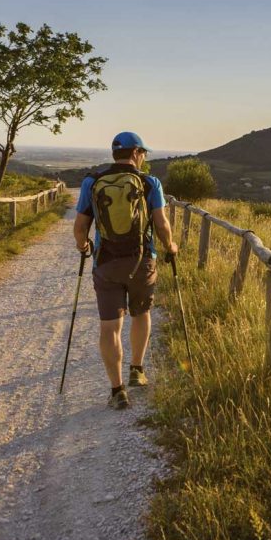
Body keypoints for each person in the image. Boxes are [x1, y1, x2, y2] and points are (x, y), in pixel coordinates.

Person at [72, 131, 178, 409]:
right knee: (141, 314)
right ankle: (137, 370)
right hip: (142, 261)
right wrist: (171, 246)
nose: (143, 157)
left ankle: (117, 390)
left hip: (105, 263)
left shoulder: (91, 181)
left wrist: (84, 247)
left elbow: (80, 227)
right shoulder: (149, 182)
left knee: (110, 327)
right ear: (135, 153)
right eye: (143, 153)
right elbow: (161, 223)